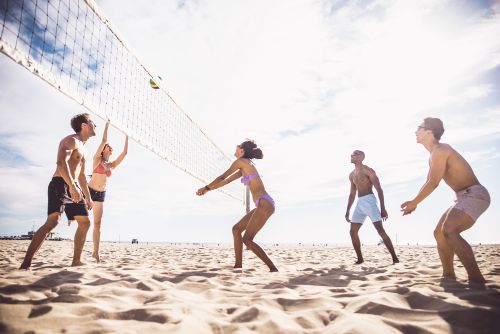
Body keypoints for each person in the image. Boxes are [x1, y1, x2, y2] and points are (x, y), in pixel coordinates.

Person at [401, 118, 490, 285]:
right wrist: (414, 201)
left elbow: (434, 183)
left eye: (419, 128)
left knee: (449, 229)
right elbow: (429, 182)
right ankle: (448, 276)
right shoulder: (433, 155)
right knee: (439, 233)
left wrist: (414, 202)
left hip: (475, 195)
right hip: (463, 196)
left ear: (429, 132)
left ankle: (476, 279)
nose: (415, 131)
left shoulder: (441, 150)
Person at [20, 113, 96, 269]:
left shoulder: (84, 148)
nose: (96, 125)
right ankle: (26, 263)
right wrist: (72, 186)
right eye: (92, 122)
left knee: (85, 223)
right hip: (60, 183)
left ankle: (76, 260)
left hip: (73, 184)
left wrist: (88, 196)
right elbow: (61, 163)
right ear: (84, 125)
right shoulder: (71, 140)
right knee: (52, 222)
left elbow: (81, 175)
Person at [196, 140, 278, 272]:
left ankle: (273, 269)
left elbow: (223, 177)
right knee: (236, 229)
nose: (236, 146)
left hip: (264, 203)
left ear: (242, 151)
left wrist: (206, 188)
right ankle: (238, 266)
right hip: (263, 203)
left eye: (238, 145)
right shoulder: (245, 164)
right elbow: (226, 181)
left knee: (248, 239)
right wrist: (209, 189)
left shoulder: (241, 162)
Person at [345, 150, 399, 264]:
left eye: (353, 154)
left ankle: (395, 258)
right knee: (352, 232)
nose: (351, 156)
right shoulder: (351, 175)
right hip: (359, 203)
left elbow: (379, 189)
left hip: (370, 201)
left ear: (360, 157)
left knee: (380, 230)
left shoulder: (368, 170)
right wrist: (347, 210)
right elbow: (352, 194)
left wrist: (383, 208)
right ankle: (360, 259)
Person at [88, 120, 128, 262]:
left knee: (97, 223)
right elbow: (104, 139)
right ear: (104, 149)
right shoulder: (96, 159)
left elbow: (125, 153)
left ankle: (95, 252)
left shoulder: (111, 165)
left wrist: (127, 136)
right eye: (109, 147)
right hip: (89, 190)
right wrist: (107, 125)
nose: (111, 148)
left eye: (112, 148)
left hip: (100, 194)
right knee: (80, 219)